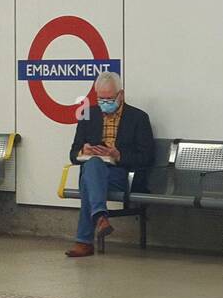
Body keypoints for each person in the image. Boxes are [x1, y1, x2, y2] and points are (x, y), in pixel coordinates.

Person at [65, 71, 155, 258]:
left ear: (120, 95)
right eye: (101, 98)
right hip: (95, 171)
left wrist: (119, 155)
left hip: (122, 174)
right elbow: (73, 154)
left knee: (88, 179)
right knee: (93, 165)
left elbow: (146, 157)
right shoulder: (88, 115)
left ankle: (85, 240)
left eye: (109, 98)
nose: (105, 102)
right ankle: (100, 217)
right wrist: (84, 152)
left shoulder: (138, 118)